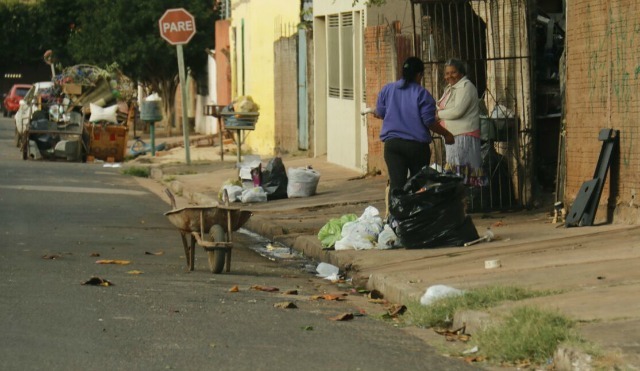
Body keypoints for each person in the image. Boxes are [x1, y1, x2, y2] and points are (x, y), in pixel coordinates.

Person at [374, 56, 454, 195]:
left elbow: (380, 113)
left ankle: (397, 215)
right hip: (416, 147)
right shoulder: (422, 94)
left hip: (393, 145)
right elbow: (429, 121)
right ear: (419, 75)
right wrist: (446, 134)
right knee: (417, 184)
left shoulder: (387, 89)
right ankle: (415, 213)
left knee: (396, 184)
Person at [435, 58, 484, 186]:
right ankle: (461, 200)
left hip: (464, 136)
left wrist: (438, 115)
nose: (449, 76)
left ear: (461, 73)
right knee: (457, 172)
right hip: (453, 136)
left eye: (453, 72)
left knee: (465, 172)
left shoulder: (466, 87)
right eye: (447, 73)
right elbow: (441, 106)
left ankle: (470, 201)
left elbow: (458, 111)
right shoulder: (450, 88)